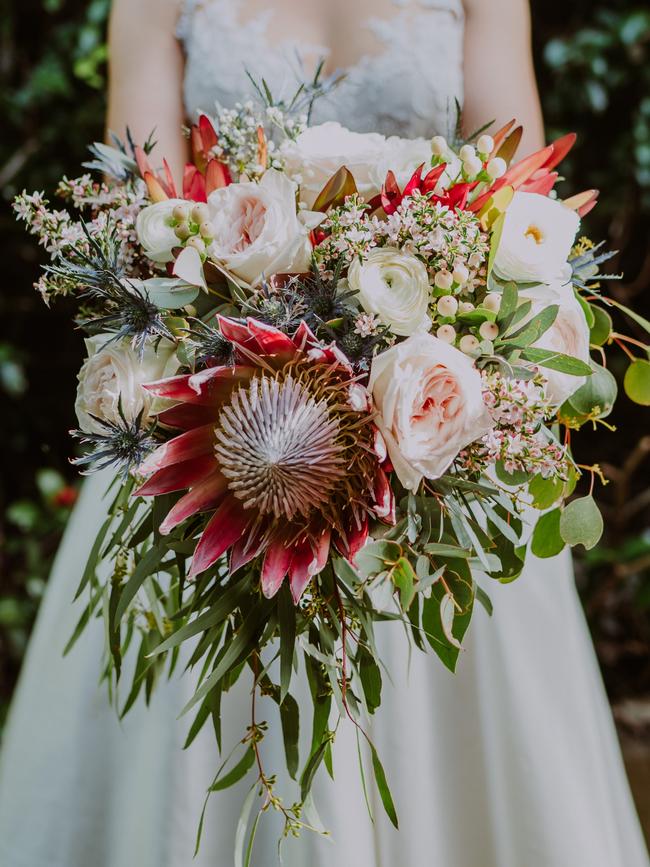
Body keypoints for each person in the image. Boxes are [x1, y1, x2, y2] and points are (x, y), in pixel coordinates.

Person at [1, 1, 648, 865]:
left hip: (429, 427)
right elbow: (136, 219)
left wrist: (427, 351)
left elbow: (520, 197)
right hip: (221, 423)